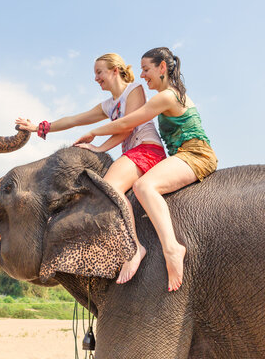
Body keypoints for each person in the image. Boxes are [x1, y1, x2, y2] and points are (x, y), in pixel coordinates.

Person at [74, 47, 218, 292]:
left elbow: (130, 121)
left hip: (196, 154)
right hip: (182, 155)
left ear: (162, 67)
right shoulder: (166, 95)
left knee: (144, 186)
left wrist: (95, 133)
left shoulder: (167, 96)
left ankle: (172, 248)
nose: (141, 75)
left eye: (146, 69)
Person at [15, 53, 166, 284]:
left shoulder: (133, 90)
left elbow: (128, 126)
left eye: (99, 72)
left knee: (109, 188)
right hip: (132, 154)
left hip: (146, 150)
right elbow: (75, 119)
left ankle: (134, 248)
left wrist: (99, 146)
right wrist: (39, 127)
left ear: (115, 70)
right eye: (95, 74)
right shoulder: (109, 104)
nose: (96, 78)